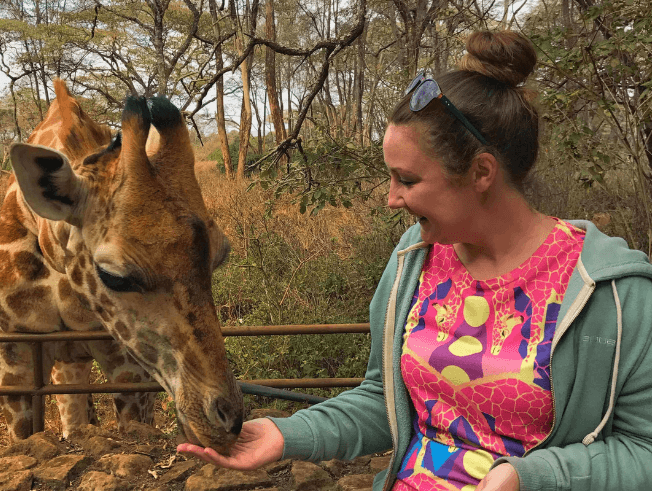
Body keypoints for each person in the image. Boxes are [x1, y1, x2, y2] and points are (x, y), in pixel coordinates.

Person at [179, 30, 652, 491]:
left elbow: (643, 451)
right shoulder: (414, 260)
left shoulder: (612, 290)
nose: (391, 198)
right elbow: (384, 401)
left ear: (481, 172)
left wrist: (529, 478)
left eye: (406, 179)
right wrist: (284, 434)